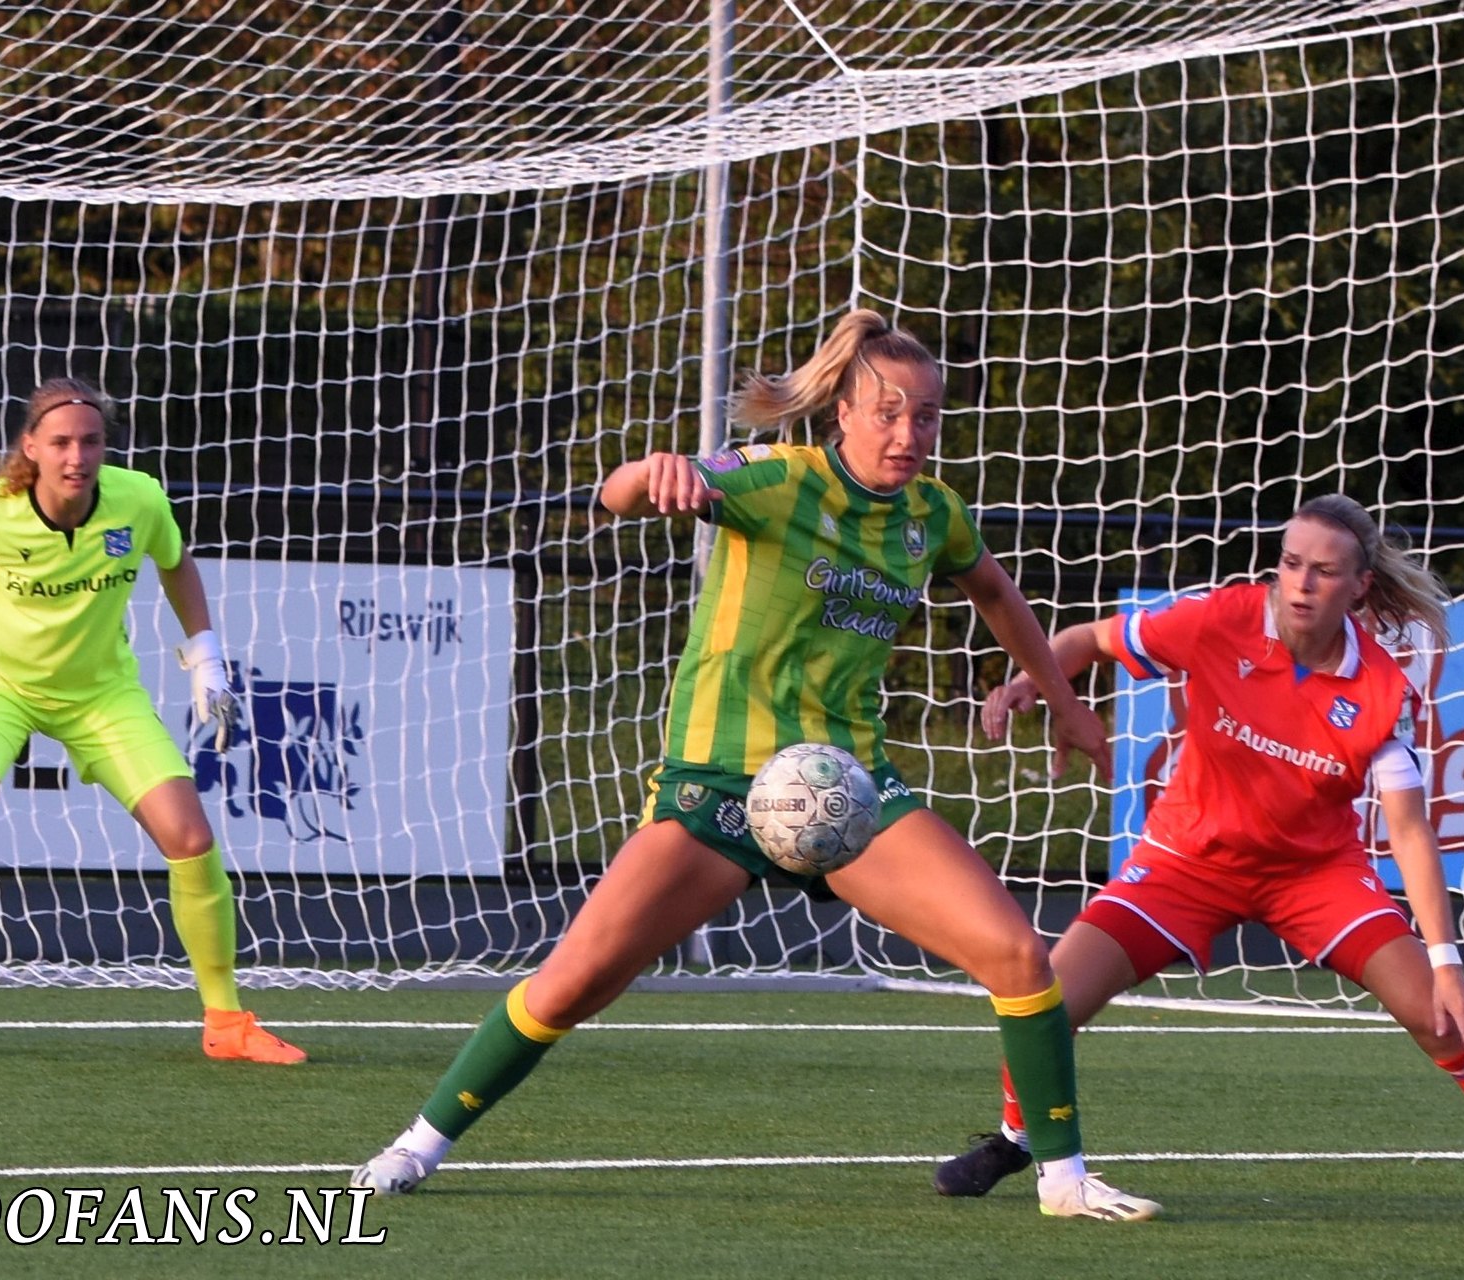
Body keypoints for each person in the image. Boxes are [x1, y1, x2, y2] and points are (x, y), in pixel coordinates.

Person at [351, 309, 1159, 1220]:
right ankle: (419, 1143)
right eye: (887, 412)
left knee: (1018, 954)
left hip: (849, 794)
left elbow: (997, 592)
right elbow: (621, 493)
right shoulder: (775, 478)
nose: (907, 433)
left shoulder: (933, 515)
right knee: (574, 982)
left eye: (925, 415)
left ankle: (1062, 1179)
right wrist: (645, 476)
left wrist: (1069, 706)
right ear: (841, 415)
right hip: (721, 788)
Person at [932, 494, 1464, 1226]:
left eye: (1324, 571)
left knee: (1442, 1019)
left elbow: (1410, 831)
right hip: (1186, 860)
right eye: (1291, 564)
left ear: (1359, 586)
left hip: (1315, 876)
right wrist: (1034, 683)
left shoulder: (1383, 690)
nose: (1300, 583)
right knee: (1046, 998)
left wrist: (1449, 966)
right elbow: (1088, 638)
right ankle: (1019, 1137)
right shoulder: (1220, 619)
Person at [0, 377, 305, 1065]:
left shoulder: (138, 499)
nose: (76, 456)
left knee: (190, 833)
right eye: (59, 442)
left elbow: (177, 566)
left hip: (101, 694)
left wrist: (204, 654)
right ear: (31, 447)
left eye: (90, 441)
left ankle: (227, 1022)